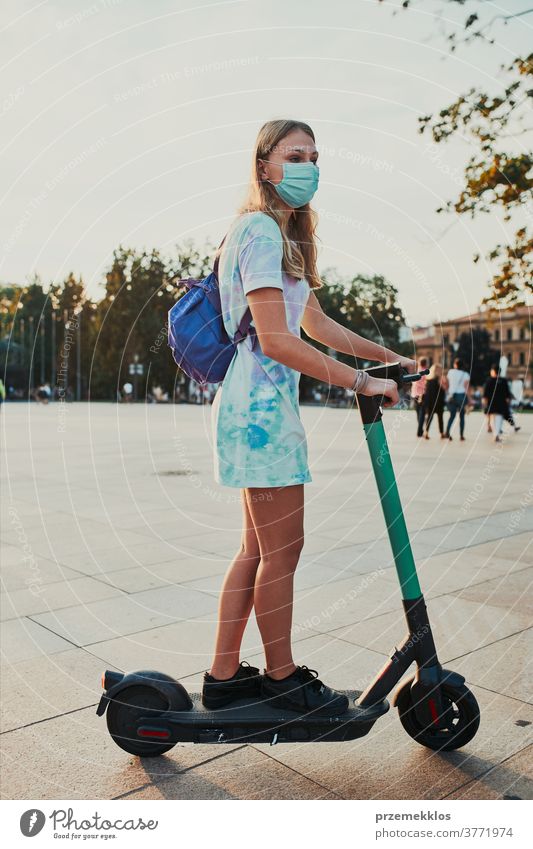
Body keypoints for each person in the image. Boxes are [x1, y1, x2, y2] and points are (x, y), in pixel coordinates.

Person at [204, 119, 416, 716]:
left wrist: (386, 357)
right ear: (264, 165)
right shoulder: (259, 232)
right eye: (294, 155)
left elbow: (314, 325)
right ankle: (281, 679)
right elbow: (275, 339)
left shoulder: (276, 235)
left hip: (256, 411)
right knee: (282, 550)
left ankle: (223, 677)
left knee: (256, 550)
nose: (308, 167)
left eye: (315, 157)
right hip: (261, 414)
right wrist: (360, 381)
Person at [483, 364, 514, 443]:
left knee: (493, 419)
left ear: (493, 371)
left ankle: (495, 434)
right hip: (501, 404)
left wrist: (485, 403)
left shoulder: (489, 380)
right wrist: (508, 402)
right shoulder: (503, 381)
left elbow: (485, 394)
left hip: (492, 403)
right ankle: (496, 435)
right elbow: (507, 394)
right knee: (499, 419)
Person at [444, 357, 470, 441]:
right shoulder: (465, 374)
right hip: (461, 396)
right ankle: (461, 435)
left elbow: (447, 384)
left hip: (452, 396)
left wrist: (448, 392)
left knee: (452, 415)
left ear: (455, 364)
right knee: (462, 416)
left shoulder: (450, 372)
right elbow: (466, 388)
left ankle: (447, 432)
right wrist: (469, 398)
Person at [423, 363, 447, 439]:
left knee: (430, 417)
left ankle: (426, 432)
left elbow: (426, 392)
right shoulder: (438, 379)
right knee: (440, 418)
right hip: (438, 401)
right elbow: (445, 389)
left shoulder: (428, 379)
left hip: (430, 401)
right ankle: (441, 433)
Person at [412, 356, 428, 437]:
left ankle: (420, 430)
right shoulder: (425, 372)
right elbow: (425, 384)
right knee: (422, 413)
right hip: (422, 395)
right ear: (426, 363)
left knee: (418, 413)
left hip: (415, 394)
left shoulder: (416, 371)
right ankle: (419, 431)